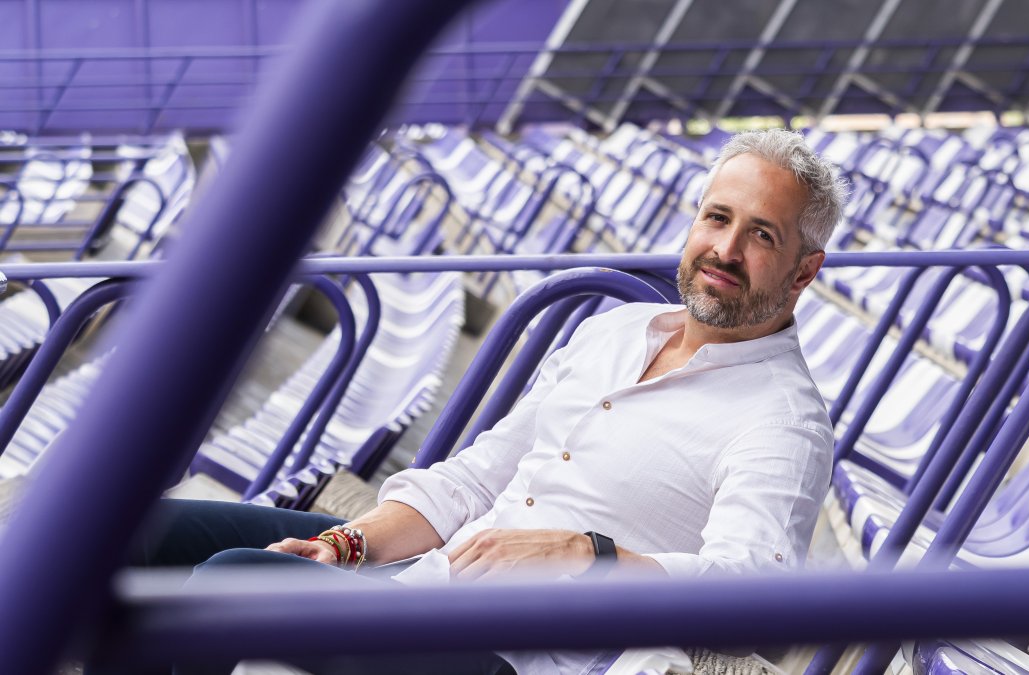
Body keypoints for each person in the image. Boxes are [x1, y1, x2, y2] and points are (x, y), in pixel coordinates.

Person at [133, 128, 847, 675]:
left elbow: (752, 591)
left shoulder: (783, 419)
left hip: (508, 653)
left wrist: (587, 552)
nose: (725, 248)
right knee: (142, 532)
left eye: (762, 235)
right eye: (716, 218)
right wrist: (350, 542)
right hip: (428, 578)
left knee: (229, 581)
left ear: (803, 270)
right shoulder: (617, 328)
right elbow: (476, 478)